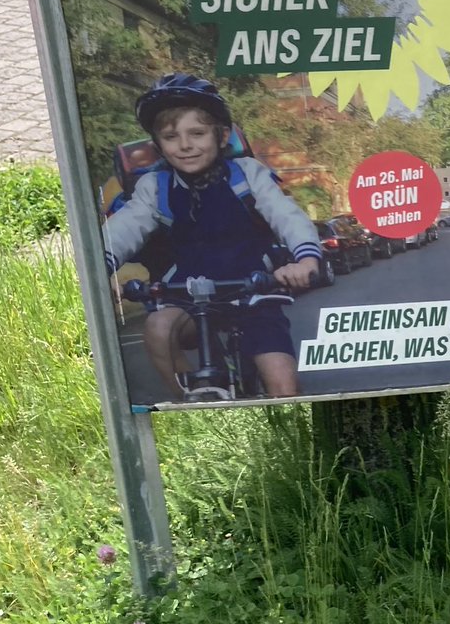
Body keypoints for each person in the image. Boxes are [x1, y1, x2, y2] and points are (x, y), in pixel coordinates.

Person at [103, 73, 321, 400]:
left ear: (221, 137)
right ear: (158, 145)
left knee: (283, 386)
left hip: (253, 293)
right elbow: (125, 227)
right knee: (158, 329)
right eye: (171, 136)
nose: (185, 144)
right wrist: (97, 269)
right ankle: (192, 402)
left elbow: (285, 214)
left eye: (197, 133)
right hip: (188, 296)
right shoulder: (155, 185)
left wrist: (305, 258)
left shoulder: (247, 173)